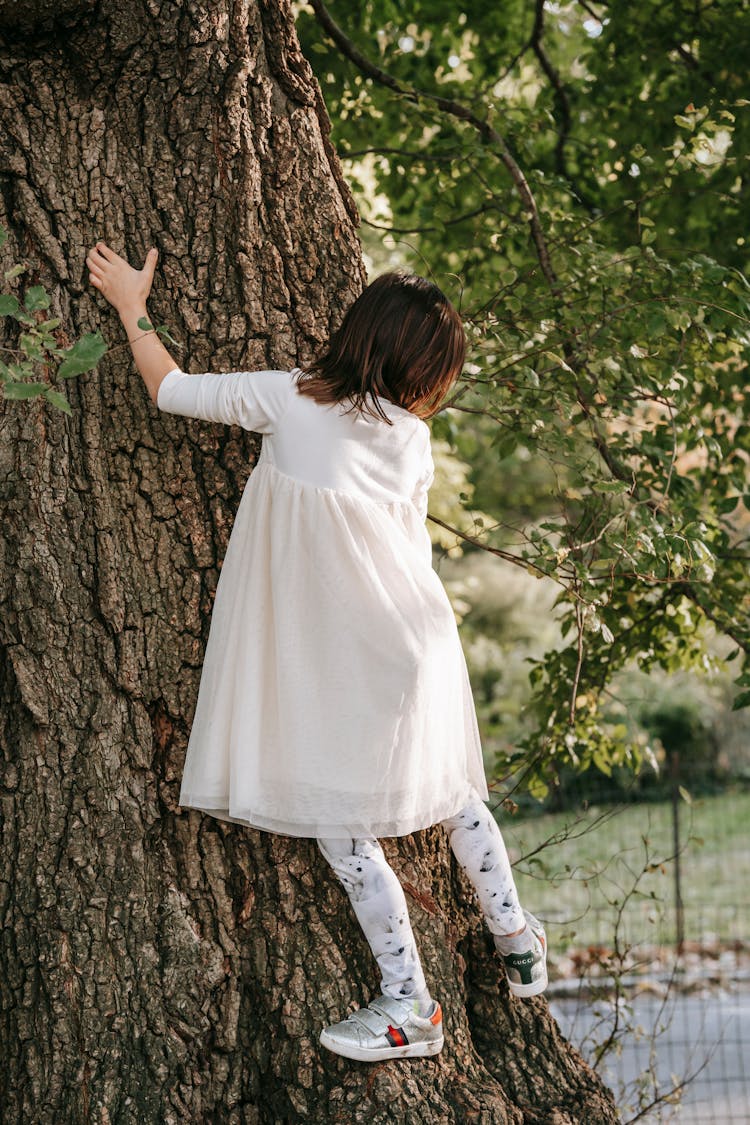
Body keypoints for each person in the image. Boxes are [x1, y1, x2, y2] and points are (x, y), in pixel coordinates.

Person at [85, 241, 548, 1064]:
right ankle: (514, 934)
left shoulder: (289, 399)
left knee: (344, 830)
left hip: (344, 657)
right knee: (453, 791)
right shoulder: (412, 440)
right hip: (420, 643)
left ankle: (411, 1004)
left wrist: (132, 304)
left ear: (357, 334)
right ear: (426, 372)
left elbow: (169, 388)